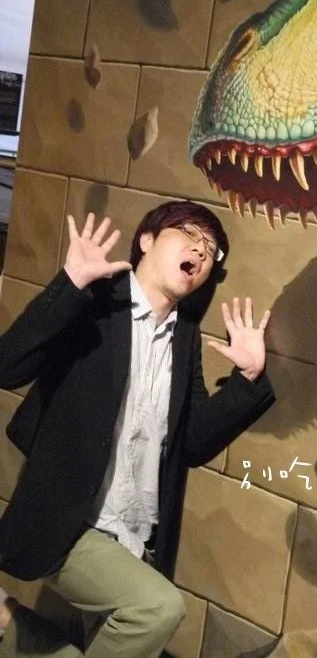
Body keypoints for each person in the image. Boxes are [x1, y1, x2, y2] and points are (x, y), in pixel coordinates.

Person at [0, 200, 276, 657]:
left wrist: (247, 378)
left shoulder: (183, 338)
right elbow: (8, 365)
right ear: (147, 240)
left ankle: (12, 627)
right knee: (157, 609)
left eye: (211, 250)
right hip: (69, 525)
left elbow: (192, 442)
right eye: (189, 233)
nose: (201, 250)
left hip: (136, 535)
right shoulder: (96, 303)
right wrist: (69, 284)